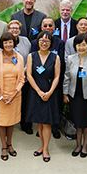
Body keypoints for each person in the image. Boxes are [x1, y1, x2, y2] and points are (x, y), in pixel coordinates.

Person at [63, 34, 87, 159]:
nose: (81, 47)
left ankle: (85, 146)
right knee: (78, 123)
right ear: (75, 46)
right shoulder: (70, 59)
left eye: (84, 45)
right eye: (79, 45)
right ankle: (78, 145)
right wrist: (65, 93)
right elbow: (67, 77)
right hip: (75, 96)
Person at [27, 31, 61, 162]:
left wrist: (49, 92)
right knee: (39, 123)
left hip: (49, 92)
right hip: (35, 92)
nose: (44, 42)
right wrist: (38, 91)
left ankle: (46, 149)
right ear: (38, 41)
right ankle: (41, 146)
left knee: (47, 123)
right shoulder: (31, 56)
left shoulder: (55, 57)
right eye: (41, 40)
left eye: (47, 41)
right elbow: (29, 75)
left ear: (50, 43)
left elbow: (57, 76)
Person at [0, 32, 26, 161]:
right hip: (0, 95)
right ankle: (4, 146)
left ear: (14, 43)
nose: (8, 44)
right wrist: (1, 95)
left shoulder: (20, 57)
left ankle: (10, 143)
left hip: (15, 95)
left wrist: (14, 94)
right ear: (2, 44)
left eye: (10, 41)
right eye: (5, 42)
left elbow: (22, 79)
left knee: (11, 122)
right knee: (2, 122)